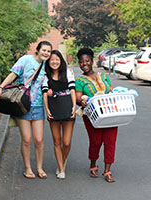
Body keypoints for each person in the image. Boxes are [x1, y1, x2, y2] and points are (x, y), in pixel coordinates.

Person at [0, 41, 52, 179]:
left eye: (49, 51)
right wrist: (1, 87)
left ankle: (39, 167)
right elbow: (13, 74)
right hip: (22, 104)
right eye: (44, 50)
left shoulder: (46, 65)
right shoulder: (26, 60)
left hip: (38, 107)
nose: (46, 53)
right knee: (26, 139)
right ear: (37, 50)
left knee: (39, 140)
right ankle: (28, 168)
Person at [75, 48, 118, 183]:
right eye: (81, 62)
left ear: (92, 61)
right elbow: (76, 98)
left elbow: (111, 90)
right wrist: (82, 100)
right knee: (96, 142)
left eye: (87, 61)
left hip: (110, 113)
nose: (84, 64)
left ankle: (107, 171)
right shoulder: (80, 80)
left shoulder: (103, 76)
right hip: (92, 116)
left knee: (110, 141)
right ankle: (93, 164)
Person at [42, 50, 76, 179]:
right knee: (57, 141)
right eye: (52, 60)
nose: (54, 62)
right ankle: (61, 169)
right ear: (48, 62)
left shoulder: (68, 73)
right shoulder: (46, 76)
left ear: (61, 60)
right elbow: (45, 93)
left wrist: (74, 106)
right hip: (54, 109)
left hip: (67, 107)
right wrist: (47, 109)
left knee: (66, 142)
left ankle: (63, 159)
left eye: (57, 59)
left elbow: (72, 90)